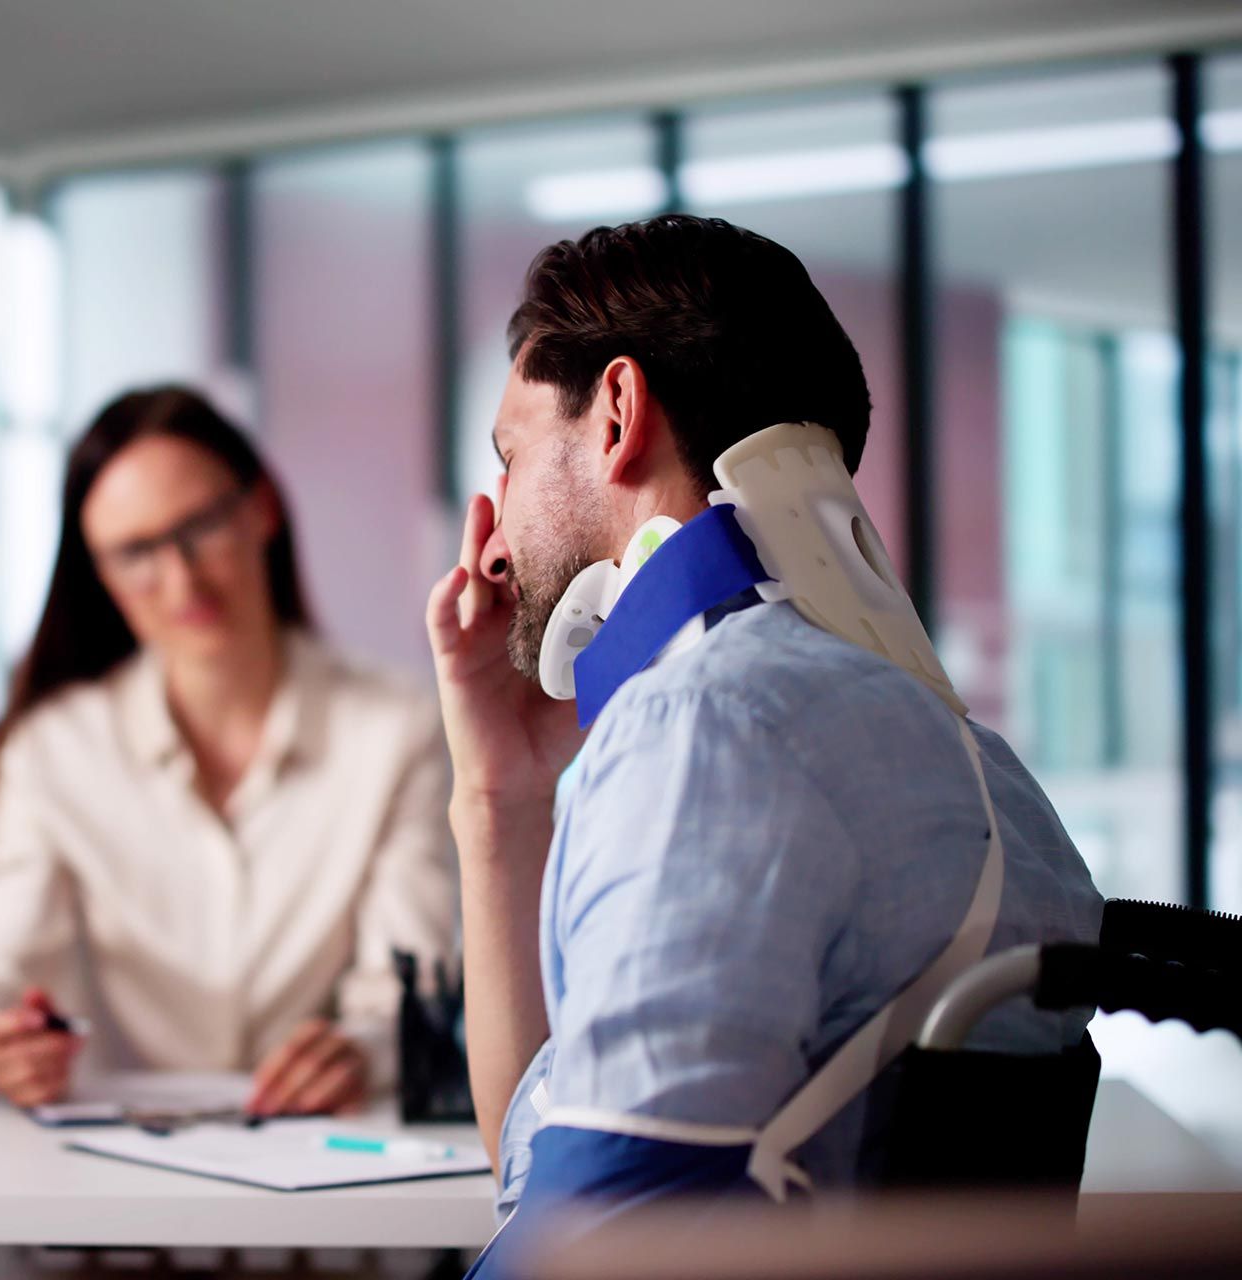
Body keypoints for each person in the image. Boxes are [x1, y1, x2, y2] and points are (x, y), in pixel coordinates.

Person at [424, 216, 1101, 1255]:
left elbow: (595, 1244)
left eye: (511, 457)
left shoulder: (703, 727)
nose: (497, 532)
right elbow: (549, 1149)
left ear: (616, 412)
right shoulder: (980, 763)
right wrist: (497, 790)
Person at [0, 385, 456, 1118]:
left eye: (202, 526)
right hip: (118, 1181)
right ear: (99, 574)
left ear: (261, 510)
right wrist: (3, 1042)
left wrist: (362, 1050)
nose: (181, 579)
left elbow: (413, 989)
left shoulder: (395, 727)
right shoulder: (49, 752)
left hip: (328, 1169)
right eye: (136, 554)